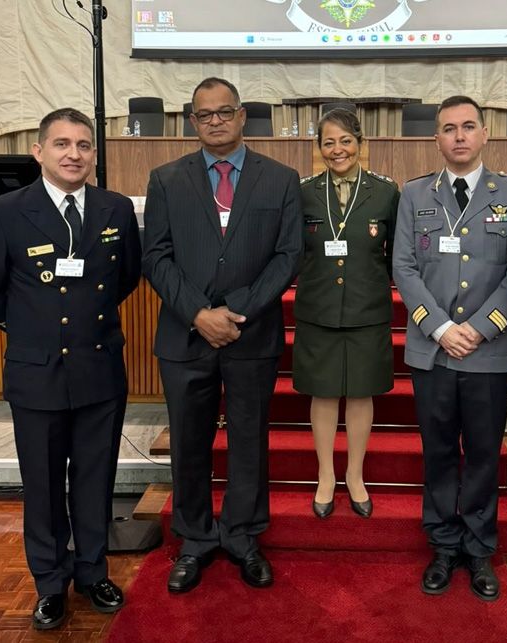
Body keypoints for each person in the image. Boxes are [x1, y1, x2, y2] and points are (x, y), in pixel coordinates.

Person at [0, 108, 142, 629]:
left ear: (93, 154)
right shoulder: (4, 212)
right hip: (36, 372)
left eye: (84, 145)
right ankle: (49, 582)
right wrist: (31, 329)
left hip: (100, 369)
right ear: (39, 152)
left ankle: (92, 572)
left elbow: (126, 276)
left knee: (95, 480)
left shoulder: (115, 210)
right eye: (62, 144)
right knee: (41, 486)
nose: (74, 154)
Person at [142, 77, 303, 593]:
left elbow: (288, 256)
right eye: (204, 113)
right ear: (193, 122)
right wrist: (198, 313)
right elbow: (156, 256)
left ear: (241, 117)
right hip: (185, 337)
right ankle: (193, 540)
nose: (215, 120)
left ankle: (242, 537)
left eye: (224, 111)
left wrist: (234, 311)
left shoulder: (280, 179)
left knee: (248, 442)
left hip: (250, 335)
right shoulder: (166, 179)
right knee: (189, 442)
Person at [392, 95, 507, 600]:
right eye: (449, 128)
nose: (460, 136)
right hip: (433, 350)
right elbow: (403, 267)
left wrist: (485, 326)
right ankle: (444, 546)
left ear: (485, 133)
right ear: (437, 139)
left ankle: (478, 549)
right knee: (440, 451)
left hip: (489, 352)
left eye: (469, 126)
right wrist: (440, 326)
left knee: (484, 454)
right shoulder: (415, 195)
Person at [293, 109, 399, 520]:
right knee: (322, 392)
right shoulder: (302, 192)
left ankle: (354, 474)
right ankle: (325, 475)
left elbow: (395, 255)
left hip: (366, 307)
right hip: (318, 307)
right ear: (319, 148)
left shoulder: (386, 192)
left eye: (345, 141)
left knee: (359, 393)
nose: (337, 150)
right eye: (328, 142)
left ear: (360, 142)